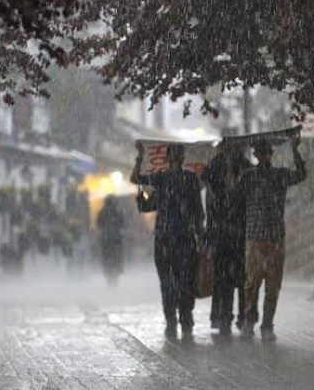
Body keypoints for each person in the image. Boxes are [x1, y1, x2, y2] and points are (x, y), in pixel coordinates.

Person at [131, 143, 205, 339]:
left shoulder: (186, 179)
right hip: (170, 239)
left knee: (181, 283)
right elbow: (136, 179)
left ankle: (181, 320)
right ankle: (176, 320)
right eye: (176, 155)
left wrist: (200, 234)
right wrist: (140, 157)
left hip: (179, 239)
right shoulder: (164, 179)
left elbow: (198, 211)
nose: (177, 158)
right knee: (172, 283)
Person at [237, 135, 306, 341]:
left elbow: (301, 174)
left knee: (273, 286)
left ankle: (267, 324)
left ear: (270, 154)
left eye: (266, 152)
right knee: (252, 284)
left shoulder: (280, 175)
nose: (264, 155)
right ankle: (250, 321)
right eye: (260, 152)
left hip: (274, 238)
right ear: (256, 155)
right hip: (255, 237)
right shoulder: (247, 176)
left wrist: (295, 150)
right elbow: (233, 196)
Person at [202, 143, 255, 337]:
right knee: (223, 279)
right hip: (222, 234)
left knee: (241, 279)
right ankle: (224, 317)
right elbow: (211, 194)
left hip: (239, 234)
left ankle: (243, 317)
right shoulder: (214, 168)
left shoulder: (245, 167)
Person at [97, 195, 125, 286]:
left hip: (106, 240)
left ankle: (109, 277)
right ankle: (114, 277)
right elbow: (122, 224)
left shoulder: (102, 212)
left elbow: (99, 224)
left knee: (107, 259)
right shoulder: (118, 212)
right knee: (115, 258)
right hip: (116, 240)